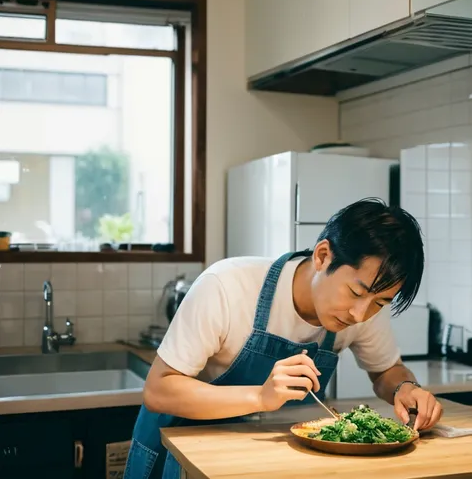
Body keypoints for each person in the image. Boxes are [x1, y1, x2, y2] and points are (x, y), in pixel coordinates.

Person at [124, 198, 442, 479]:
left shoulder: (364, 307)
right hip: (180, 444)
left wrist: (406, 388)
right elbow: (159, 389)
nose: (360, 314)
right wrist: (261, 397)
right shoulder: (226, 285)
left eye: (380, 303)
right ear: (322, 256)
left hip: (259, 452)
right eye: (356, 292)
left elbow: (386, 370)